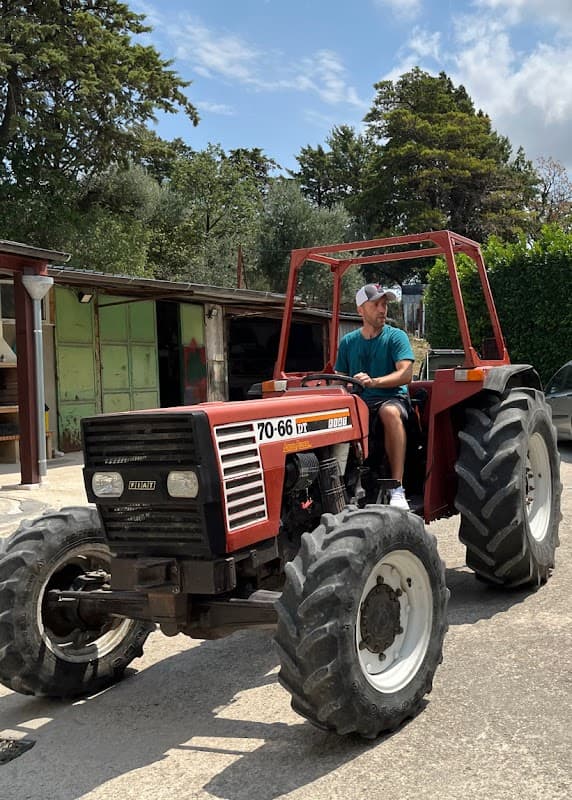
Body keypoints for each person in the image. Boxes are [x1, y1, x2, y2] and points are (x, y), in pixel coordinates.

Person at [335, 283, 414, 510]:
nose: (382, 309)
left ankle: (397, 487)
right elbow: (340, 379)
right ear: (361, 310)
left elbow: (405, 373)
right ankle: (339, 485)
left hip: (393, 399)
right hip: (358, 403)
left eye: (384, 304)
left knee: (388, 412)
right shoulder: (348, 342)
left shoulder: (395, 337)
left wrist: (374, 382)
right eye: (376, 304)